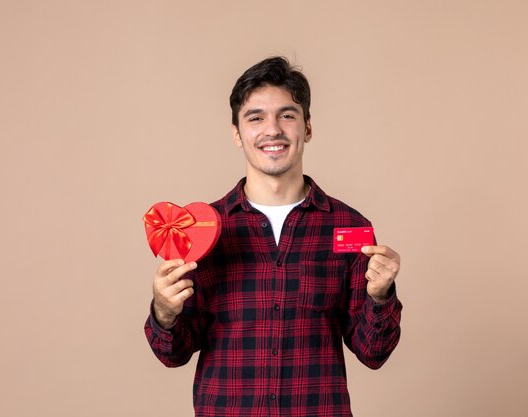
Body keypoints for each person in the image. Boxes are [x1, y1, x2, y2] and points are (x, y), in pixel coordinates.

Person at [145, 56, 402, 416]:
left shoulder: (349, 226)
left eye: (287, 115)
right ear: (237, 133)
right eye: (255, 117)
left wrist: (380, 296)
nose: (273, 130)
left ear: (307, 128)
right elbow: (174, 354)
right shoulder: (200, 229)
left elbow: (374, 353)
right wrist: (164, 311)